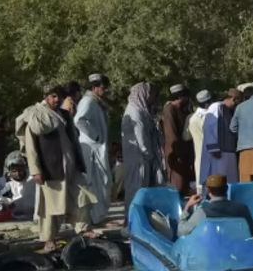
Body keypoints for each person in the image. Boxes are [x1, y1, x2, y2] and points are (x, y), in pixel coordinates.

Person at [25, 85, 98, 252]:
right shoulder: (37, 116)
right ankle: (49, 239)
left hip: (71, 168)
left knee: (82, 197)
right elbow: (31, 146)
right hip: (52, 169)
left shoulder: (64, 114)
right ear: (46, 96)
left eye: (59, 96)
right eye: (53, 96)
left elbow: (73, 139)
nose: (56, 100)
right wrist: (35, 170)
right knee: (52, 206)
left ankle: (84, 229)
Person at [121, 82, 165, 222]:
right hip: (138, 158)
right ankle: (132, 220)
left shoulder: (142, 110)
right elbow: (141, 136)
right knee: (136, 189)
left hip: (143, 158)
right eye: (151, 93)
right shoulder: (135, 111)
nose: (153, 96)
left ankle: (140, 219)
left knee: (143, 189)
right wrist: (148, 154)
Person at [74, 73, 113, 225]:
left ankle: (99, 216)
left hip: (97, 148)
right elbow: (79, 120)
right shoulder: (88, 101)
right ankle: (95, 217)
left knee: (103, 182)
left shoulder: (96, 102)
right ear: (94, 87)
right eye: (103, 87)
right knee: (95, 183)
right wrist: (95, 137)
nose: (105, 91)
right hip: (91, 149)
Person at [177, 174, 253, 237]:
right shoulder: (243, 209)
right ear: (227, 188)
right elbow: (252, 233)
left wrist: (187, 207)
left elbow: (181, 232)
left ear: (208, 191)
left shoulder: (202, 212)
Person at [201, 89, 242, 189]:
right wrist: (214, 149)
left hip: (230, 152)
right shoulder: (216, 107)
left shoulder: (230, 111)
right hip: (219, 153)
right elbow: (208, 128)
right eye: (237, 102)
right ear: (233, 99)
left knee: (231, 181)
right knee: (218, 181)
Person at [162, 84, 195, 196]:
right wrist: (177, 152)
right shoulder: (170, 109)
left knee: (185, 186)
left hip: (184, 153)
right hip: (176, 153)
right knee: (178, 186)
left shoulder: (183, 110)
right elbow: (171, 134)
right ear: (180, 97)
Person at [0, 152, 36, 219]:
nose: (18, 173)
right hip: (16, 212)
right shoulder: (9, 181)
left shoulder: (33, 179)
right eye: (14, 171)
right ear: (9, 171)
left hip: (33, 212)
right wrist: (6, 203)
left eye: (20, 170)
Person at [186, 90, 211, 193]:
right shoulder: (210, 117)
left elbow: (186, 137)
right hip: (211, 156)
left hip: (199, 157)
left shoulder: (191, 118)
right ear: (207, 103)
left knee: (201, 187)